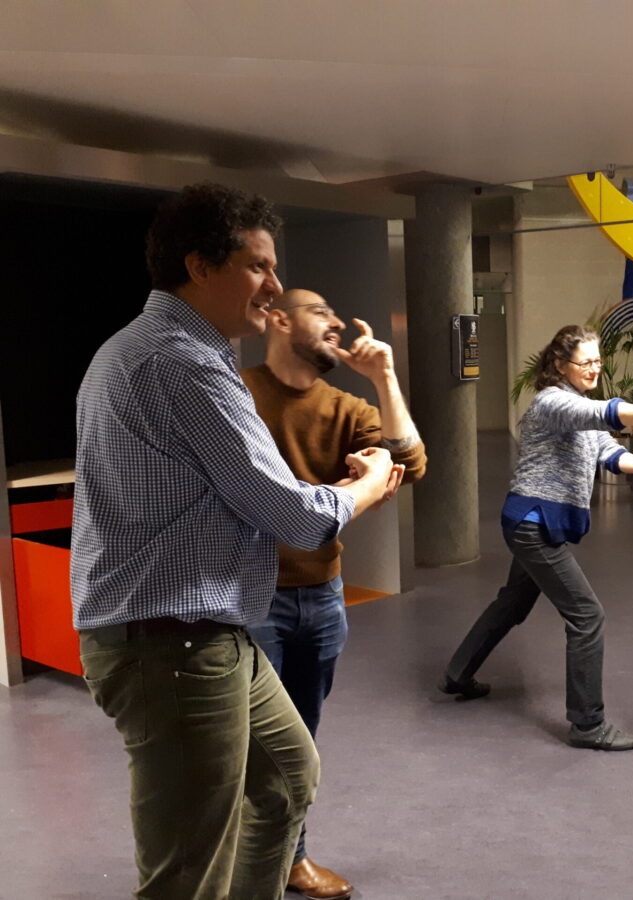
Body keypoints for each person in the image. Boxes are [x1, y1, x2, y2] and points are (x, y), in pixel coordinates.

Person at [71, 183, 403, 900]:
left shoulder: (151, 351)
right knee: (188, 873)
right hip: (173, 646)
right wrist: (367, 486)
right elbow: (294, 516)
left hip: (208, 633)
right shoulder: (182, 363)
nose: (274, 287)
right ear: (199, 266)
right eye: (258, 267)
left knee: (286, 779)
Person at [241, 288, 427, 900]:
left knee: (300, 740)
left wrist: (385, 377)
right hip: (252, 597)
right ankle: (249, 866)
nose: (338, 322)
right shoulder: (238, 394)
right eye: (320, 312)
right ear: (278, 319)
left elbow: (410, 463)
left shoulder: (345, 406)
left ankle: (290, 858)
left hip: (322, 596)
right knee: (254, 745)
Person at [441, 325, 633, 750]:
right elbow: (604, 414)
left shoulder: (576, 402)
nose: (594, 369)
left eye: (598, 361)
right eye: (585, 362)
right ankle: (587, 724)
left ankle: (457, 673)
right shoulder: (553, 402)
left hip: (537, 523)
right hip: (533, 525)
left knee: (513, 603)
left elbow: (607, 450)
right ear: (560, 365)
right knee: (587, 616)